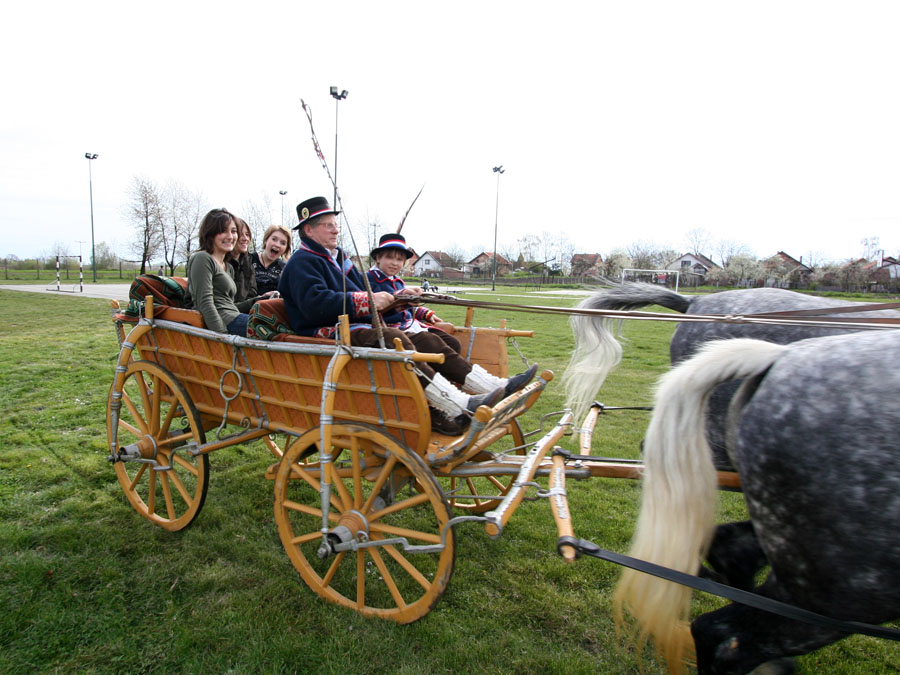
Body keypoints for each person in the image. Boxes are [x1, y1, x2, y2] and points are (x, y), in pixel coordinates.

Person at [279, 197, 504, 434]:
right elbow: (315, 305)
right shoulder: (302, 262)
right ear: (309, 230)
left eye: (336, 225)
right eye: (328, 225)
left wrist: (399, 298)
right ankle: (455, 404)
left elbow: (365, 290)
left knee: (428, 341)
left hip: (355, 327)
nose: (336, 230)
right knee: (393, 340)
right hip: (326, 332)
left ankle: (488, 387)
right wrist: (367, 301)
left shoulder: (337, 258)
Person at [367, 232, 537, 400]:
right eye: (390, 257)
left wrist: (424, 312)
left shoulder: (397, 281)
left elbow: (407, 308)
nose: (395, 263)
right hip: (390, 331)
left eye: (399, 260)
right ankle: (488, 386)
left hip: (409, 326)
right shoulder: (368, 280)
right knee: (430, 342)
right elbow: (375, 307)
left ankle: (446, 391)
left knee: (451, 342)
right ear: (378, 258)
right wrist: (400, 300)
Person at [183, 208, 250, 336]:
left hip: (233, 317)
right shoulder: (202, 258)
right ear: (211, 233)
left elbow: (229, 305)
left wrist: (258, 301)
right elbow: (204, 303)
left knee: (277, 318)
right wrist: (222, 336)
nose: (230, 237)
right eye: (223, 231)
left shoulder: (228, 267)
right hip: (224, 324)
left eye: (233, 231)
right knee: (271, 328)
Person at [251, 224, 292, 296]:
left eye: (283, 243)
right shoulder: (249, 259)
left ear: (286, 249)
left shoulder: (285, 268)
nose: (277, 245)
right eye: (274, 239)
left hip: (273, 302)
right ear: (266, 240)